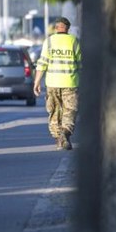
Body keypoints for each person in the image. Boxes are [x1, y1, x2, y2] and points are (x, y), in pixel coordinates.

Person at [33, 17, 81, 150]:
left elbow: (42, 63)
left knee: (54, 112)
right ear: (68, 29)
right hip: (70, 83)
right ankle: (65, 133)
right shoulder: (74, 41)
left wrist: (36, 82)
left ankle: (59, 140)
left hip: (52, 83)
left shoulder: (48, 42)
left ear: (56, 28)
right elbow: (81, 64)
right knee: (69, 111)